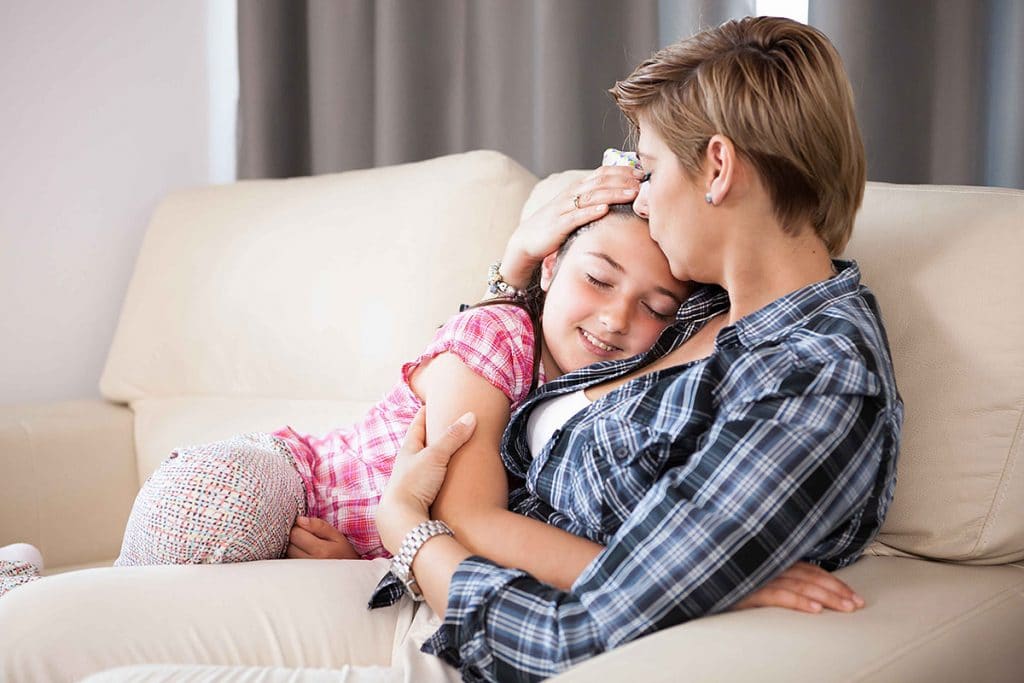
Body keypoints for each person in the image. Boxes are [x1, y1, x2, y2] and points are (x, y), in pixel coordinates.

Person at [370, 15, 902, 682]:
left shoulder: (813, 382)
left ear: (717, 167)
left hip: (475, 617)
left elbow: (574, 637)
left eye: (649, 171)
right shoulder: (707, 297)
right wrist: (517, 264)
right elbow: (520, 352)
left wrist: (408, 531)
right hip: (438, 565)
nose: (642, 201)